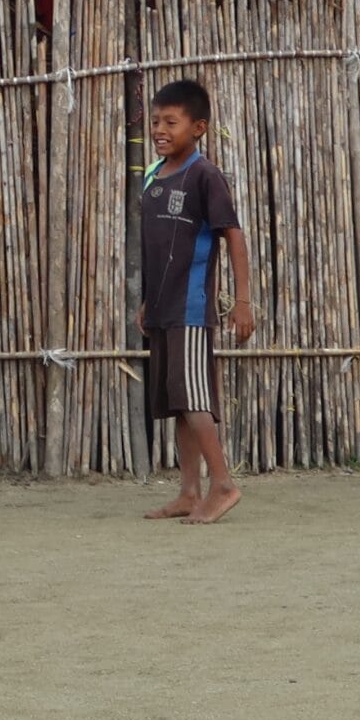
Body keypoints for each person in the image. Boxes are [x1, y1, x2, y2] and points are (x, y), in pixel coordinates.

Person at [138, 78, 254, 525]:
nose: (159, 130)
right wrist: (148, 299)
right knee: (177, 402)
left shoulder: (204, 175)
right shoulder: (154, 176)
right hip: (163, 308)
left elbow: (234, 236)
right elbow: (155, 245)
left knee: (195, 399)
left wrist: (243, 302)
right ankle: (189, 492)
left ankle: (222, 484)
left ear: (199, 127)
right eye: (154, 122)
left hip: (190, 307)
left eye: (171, 121)